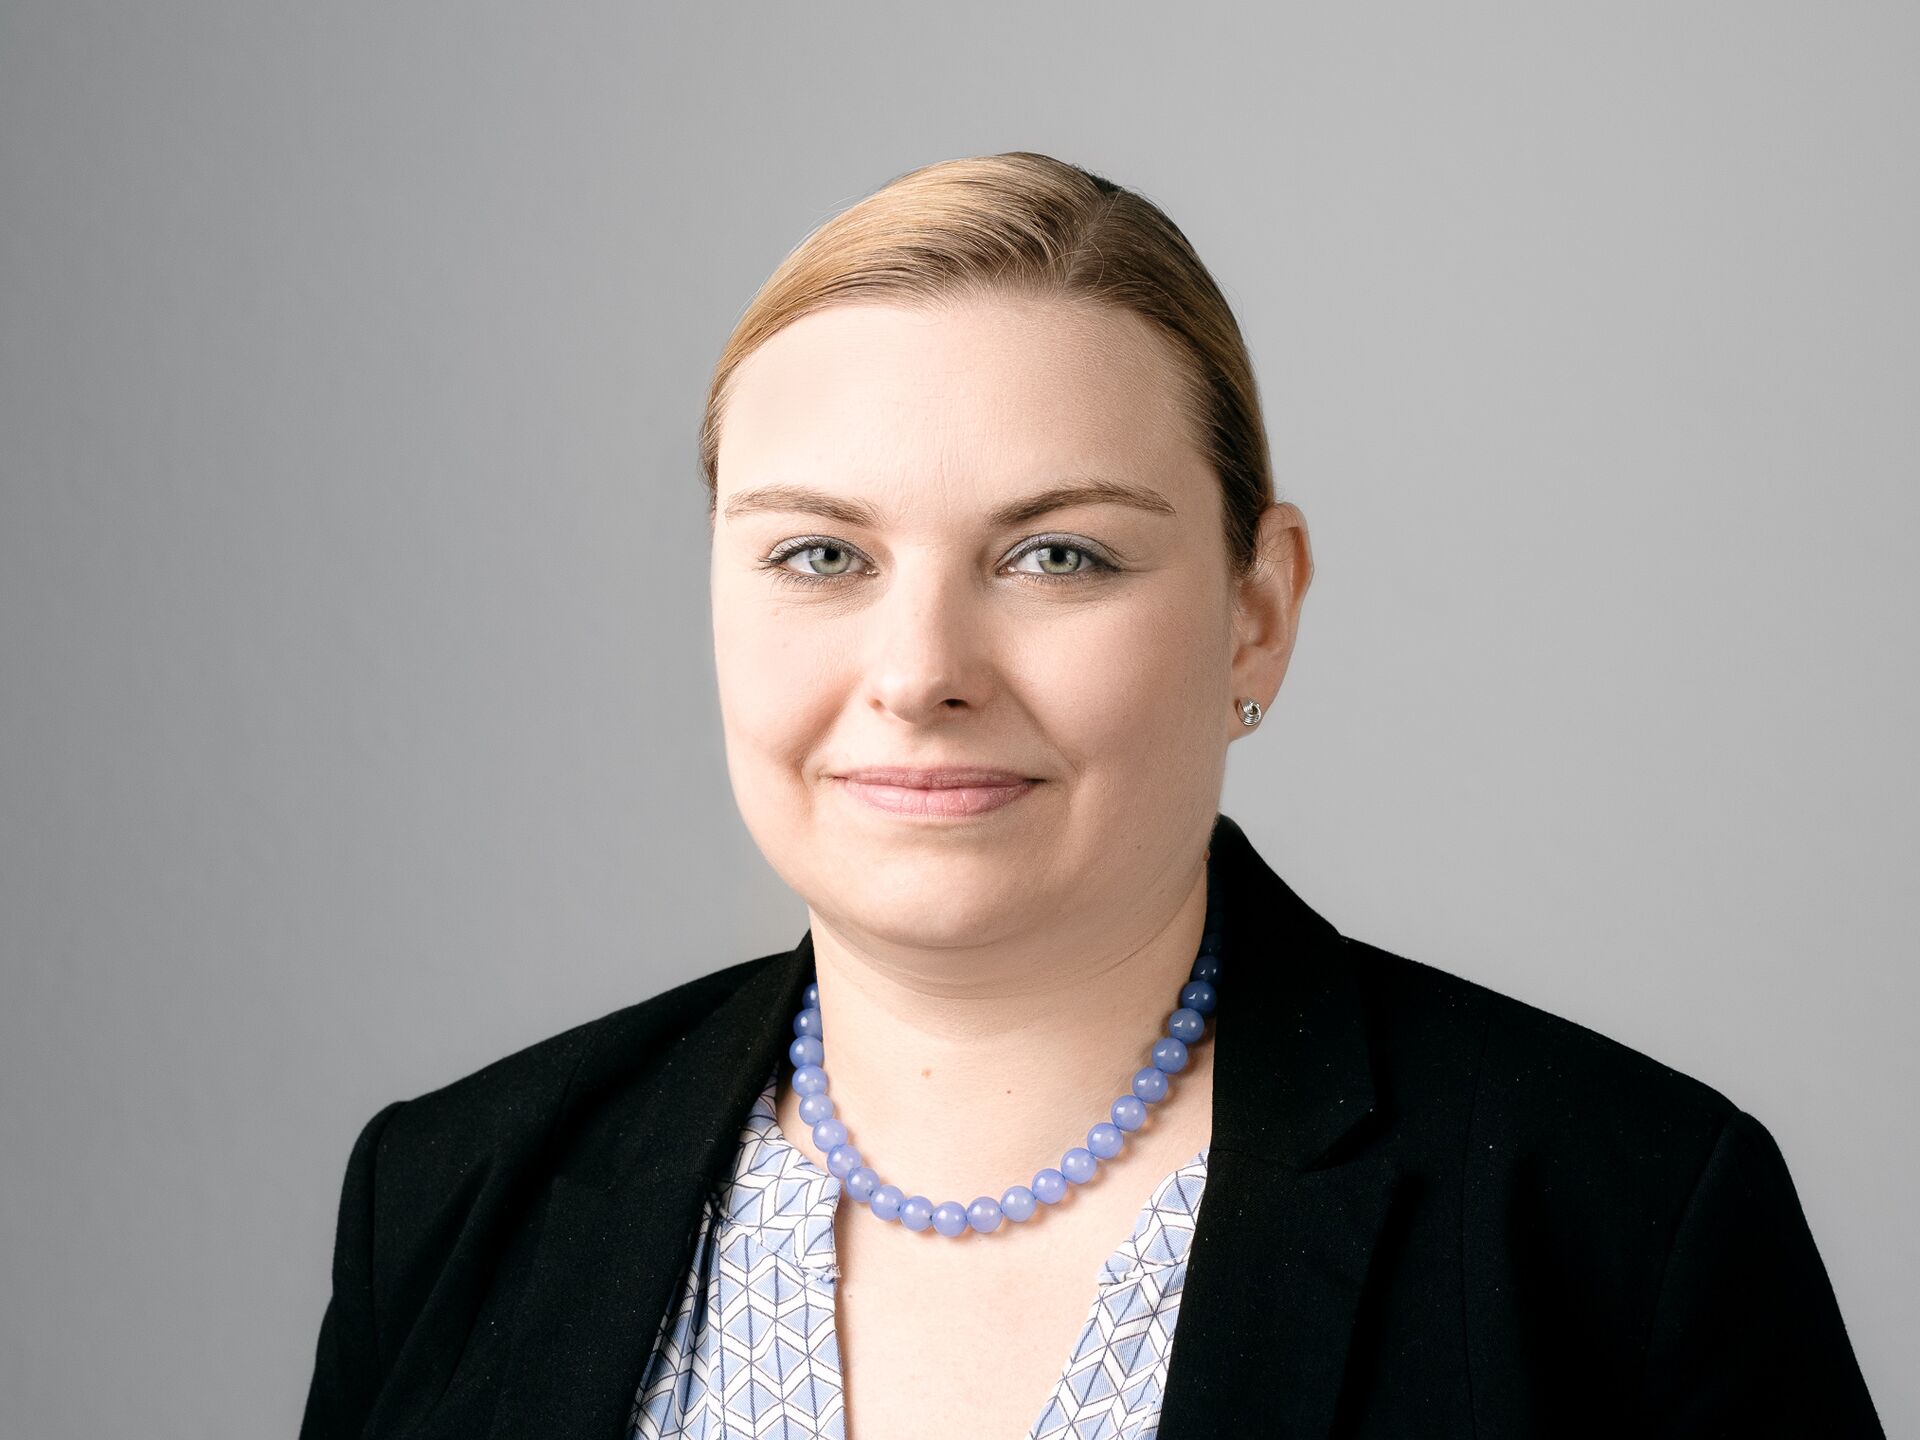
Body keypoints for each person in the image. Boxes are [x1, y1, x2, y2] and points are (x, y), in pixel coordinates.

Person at [299, 152, 1883, 1439]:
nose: (922, 671)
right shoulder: (446, 1197)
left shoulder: (1620, 1221)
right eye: (820, 554)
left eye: (1056, 554)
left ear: (1257, 611)